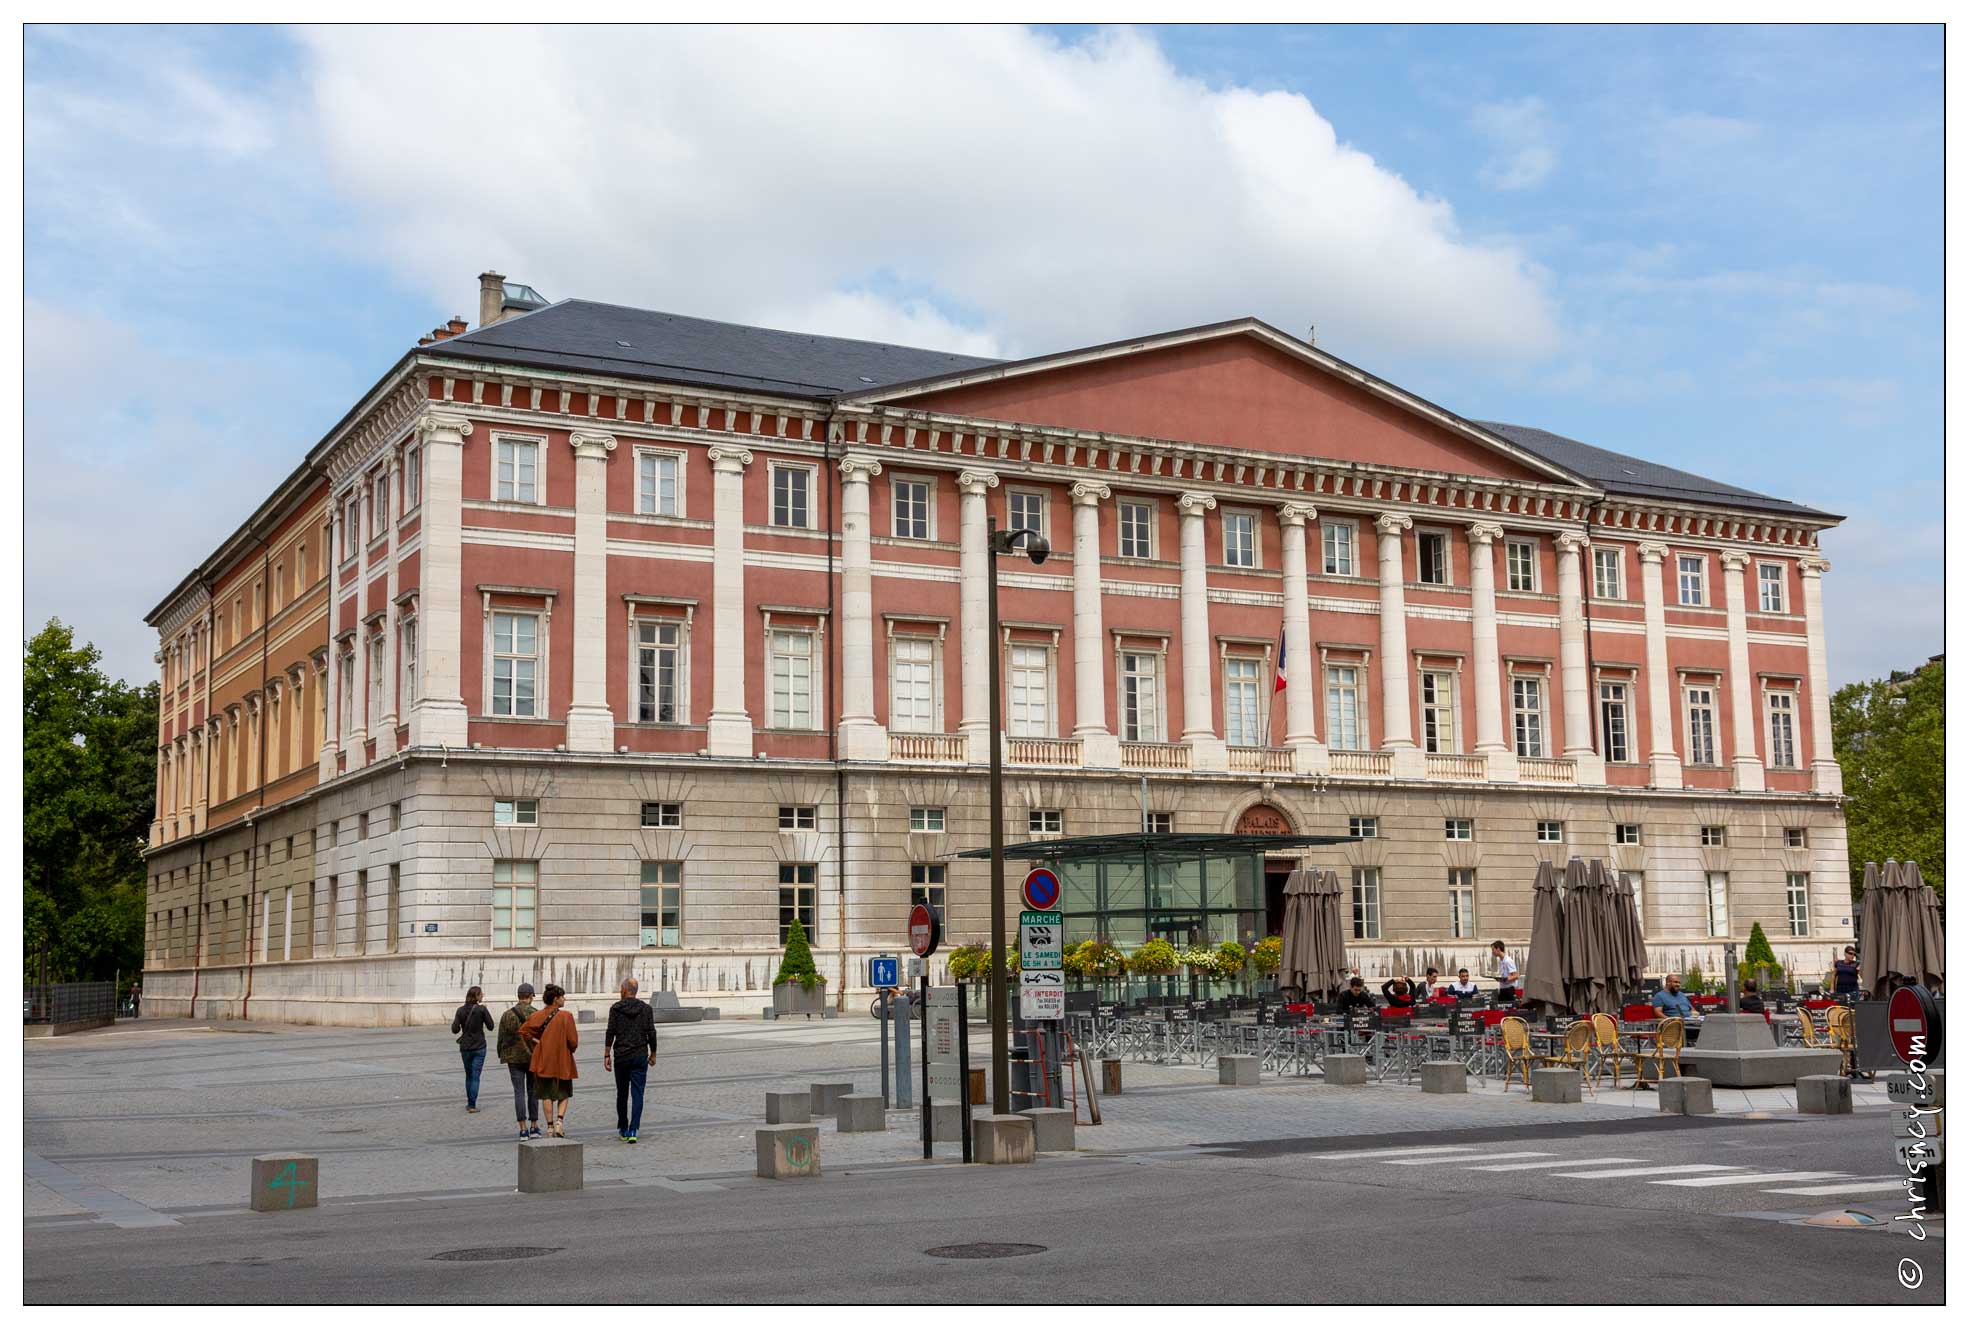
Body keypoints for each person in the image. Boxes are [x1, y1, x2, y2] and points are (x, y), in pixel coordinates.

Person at [520, 984, 579, 1137]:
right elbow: (573, 1041)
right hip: (562, 1059)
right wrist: (568, 1050)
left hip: (543, 1059)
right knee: (564, 1092)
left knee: (546, 1094)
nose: (564, 999)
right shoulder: (566, 1016)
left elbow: (523, 1031)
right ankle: (560, 1122)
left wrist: (538, 1042)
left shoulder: (536, 1015)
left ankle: (550, 1127)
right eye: (562, 997)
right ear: (555, 999)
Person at [603, 978, 658, 1143]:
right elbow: (652, 1032)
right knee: (638, 1093)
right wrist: (653, 1053)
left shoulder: (616, 1008)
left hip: (621, 1056)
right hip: (640, 1055)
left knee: (622, 1093)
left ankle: (623, 1128)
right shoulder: (646, 1009)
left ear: (623, 989)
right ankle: (634, 1129)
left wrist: (607, 1054)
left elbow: (610, 1031)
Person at [497, 982, 542, 1140]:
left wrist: (501, 1054)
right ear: (530, 997)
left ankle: (523, 1129)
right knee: (533, 1091)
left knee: (519, 1092)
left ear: (518, 996)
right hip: (532, 1058)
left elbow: (501, 1038)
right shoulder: (536, 1014)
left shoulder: (507, 1015)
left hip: (513, 1058)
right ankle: (534, 1126)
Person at [451, 986, 494, 1113]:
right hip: (479, 1046)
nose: (483, 995)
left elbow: (454, 1030)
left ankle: (470, 1103)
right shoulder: (481, 1009)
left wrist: (460, 1025)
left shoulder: (460, 1010)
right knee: (475, 1076)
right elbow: (491, 1026)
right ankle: (472, 1105)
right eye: (481, 994)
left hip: (465, 1047)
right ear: (476, 996)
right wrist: (485, 1012)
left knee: (469, 1075)